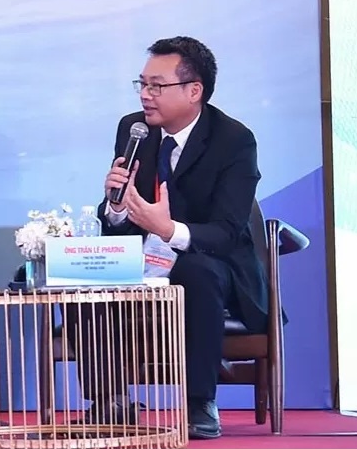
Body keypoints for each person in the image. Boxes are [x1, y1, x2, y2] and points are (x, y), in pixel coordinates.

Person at [87, 36, 265, 440]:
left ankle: (200, 401)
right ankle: (109, 400)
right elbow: (117, 222)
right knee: (88, 268)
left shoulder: (233, 140)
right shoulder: (134, 129)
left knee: (196, 271)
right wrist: (117, 206)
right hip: (144, 261)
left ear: (194, 90)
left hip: (213, 263)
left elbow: (227, 231)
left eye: (156, 86)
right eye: (142, 84)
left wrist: (167, 229)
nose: (145, 95)